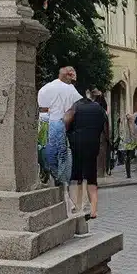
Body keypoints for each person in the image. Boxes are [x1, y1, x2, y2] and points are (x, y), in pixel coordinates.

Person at [38, 67, 82, 210]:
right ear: (69, 77)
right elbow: (77, 109)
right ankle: (65, 197)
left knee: (49, 162)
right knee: (64, 162)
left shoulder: (45, 88)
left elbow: (42, 112)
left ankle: (59, 196)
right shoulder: (71, 90)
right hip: (63, 127)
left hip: (46, 126)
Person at [68, 95, 109, 219]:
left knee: (76, 176)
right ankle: (93, 210)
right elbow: (105, 129)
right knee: (92, 177)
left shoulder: (75, 107)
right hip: (93, 146)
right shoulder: (99, 110)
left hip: (76, 145)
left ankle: (76, 206)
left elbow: (66, 122)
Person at [120, 113, 137, 180]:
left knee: (127, 159)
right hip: (130, 143)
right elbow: (133, 134)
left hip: (126, 144)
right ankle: (128, 174)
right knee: (129, 158)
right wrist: (135, 141)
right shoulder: (131, 125)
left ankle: (128, 174)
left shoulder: (125, 125)